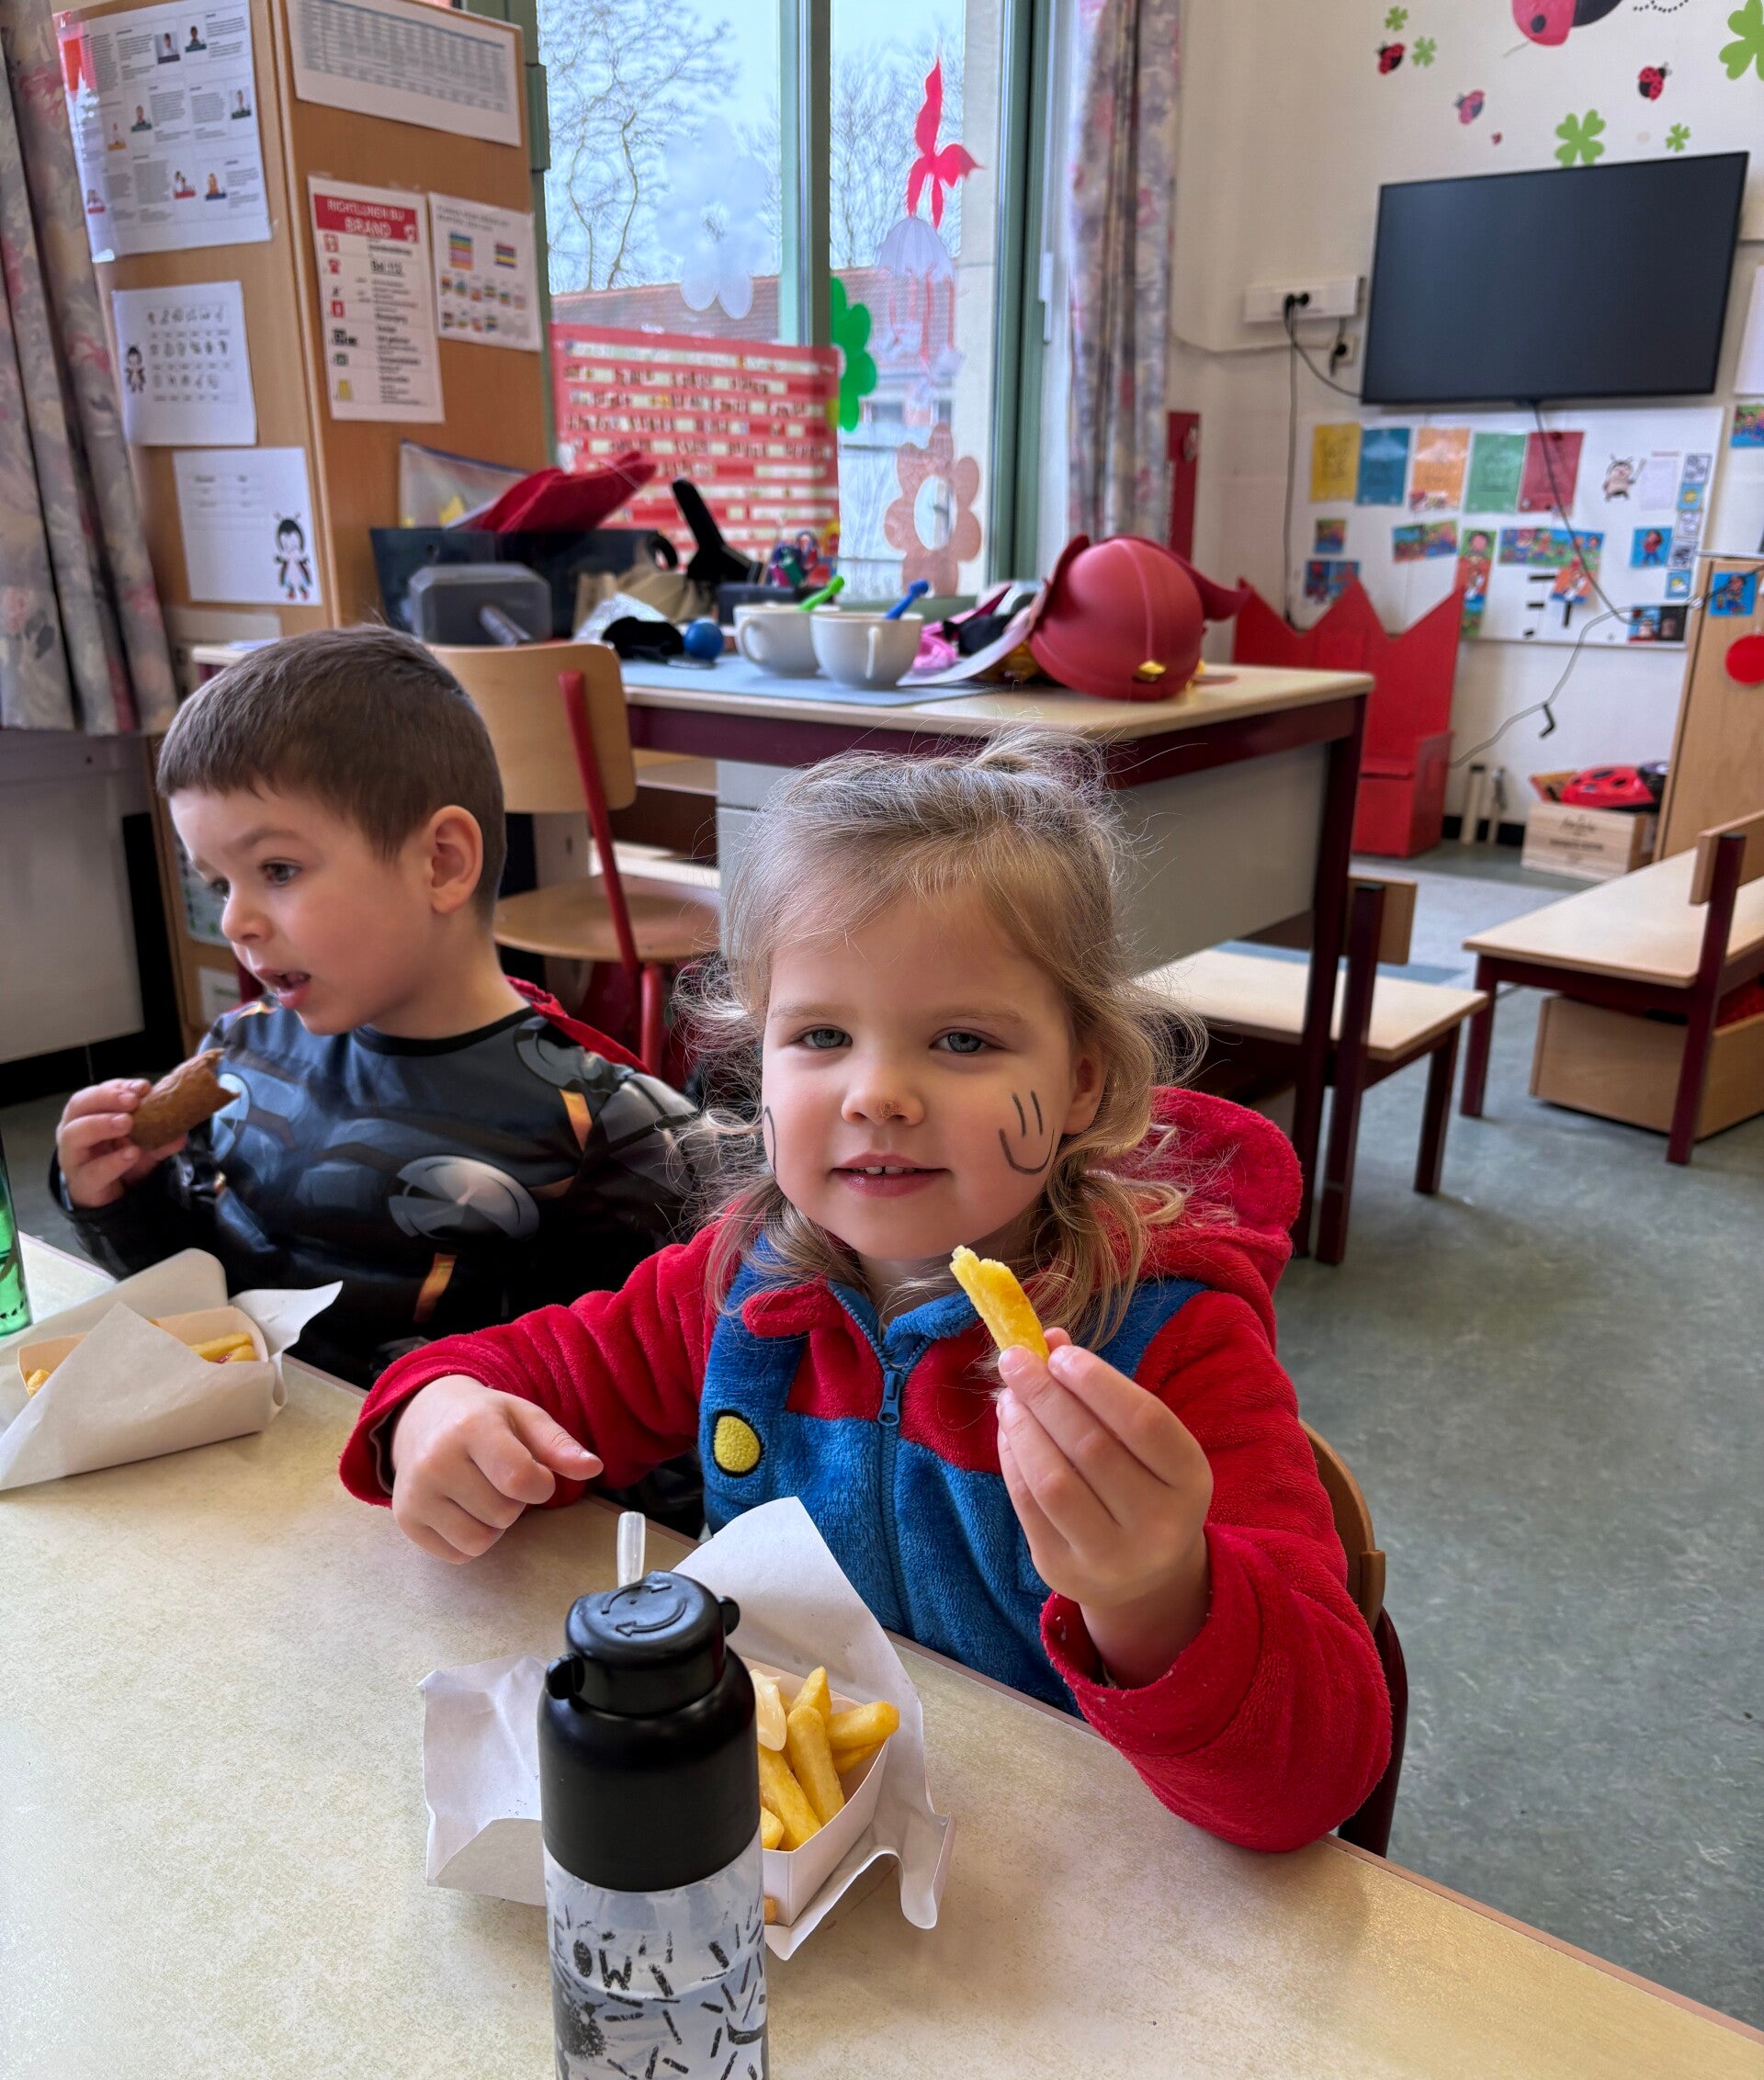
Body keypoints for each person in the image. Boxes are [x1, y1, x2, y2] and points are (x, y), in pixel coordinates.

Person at [341, 736, 1391, 1852]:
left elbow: (1313, 1776)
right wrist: (441, 1411)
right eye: (823, 1035)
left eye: (963, 1039)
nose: (878, 1093)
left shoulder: (1170, 1341)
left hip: (1054, 1882)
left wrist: (1156, 1594)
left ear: (1082, 1079)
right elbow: (523, 1368)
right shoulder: (742, 1285)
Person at [52, 629, 699, 1399]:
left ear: (441, 862)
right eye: (220, 884)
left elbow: (672, 1393)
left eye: (277, 870)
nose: (235, 922)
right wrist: (119, 1198)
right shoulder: (242, 1054)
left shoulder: (610, 1135)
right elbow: (197, 1292)